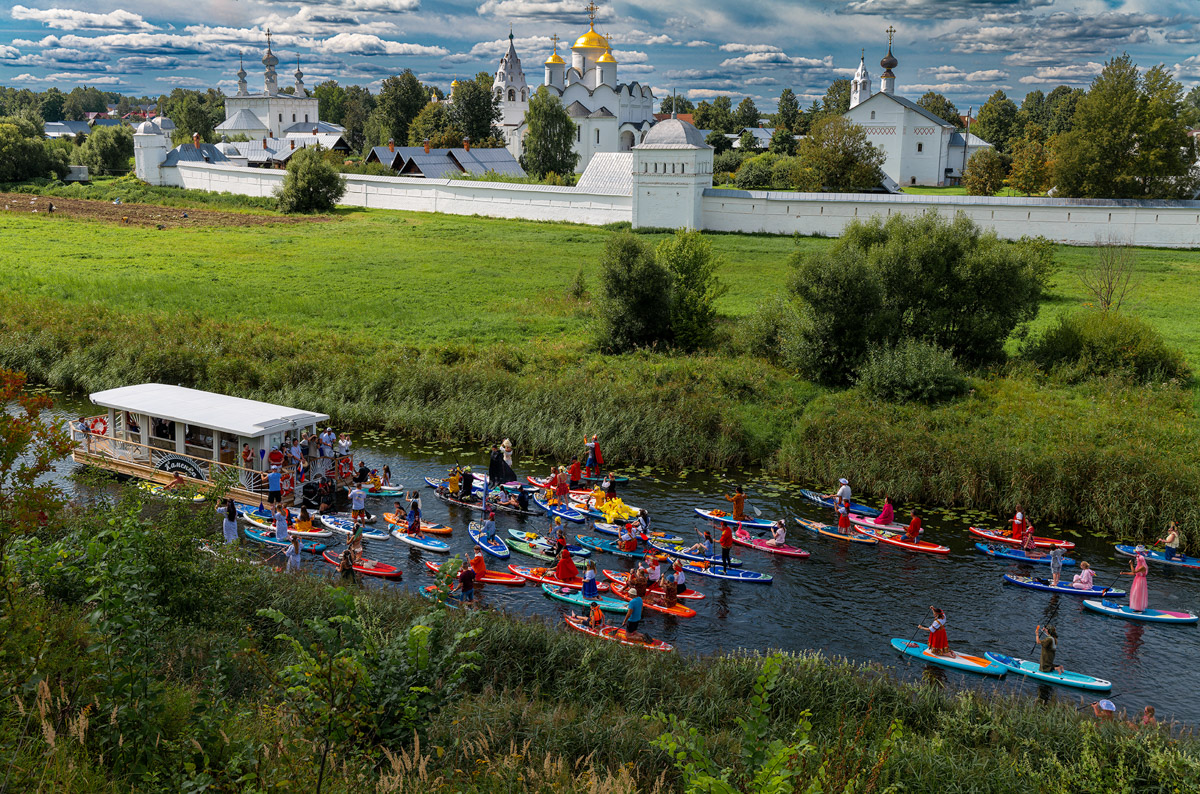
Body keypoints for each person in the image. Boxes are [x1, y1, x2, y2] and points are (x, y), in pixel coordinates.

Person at [1121, 545, 1149, 612]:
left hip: (1140, 582)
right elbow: (1134, 574)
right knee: (1134, 594)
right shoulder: (1139, 565)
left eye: (1137, 559)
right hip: (1137, 580)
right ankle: (1136, 607)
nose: (1136, 560)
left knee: (1137, 594)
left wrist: (1131, 564)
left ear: (1140, 560)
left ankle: (1139, 609)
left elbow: (1134, 571)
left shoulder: (1142, 567)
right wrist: (1124, 573)